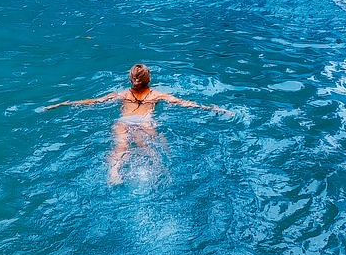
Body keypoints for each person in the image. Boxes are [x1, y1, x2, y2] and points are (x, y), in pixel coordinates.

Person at [43, 63, 232, 184]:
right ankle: (157, 175)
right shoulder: (157, 95)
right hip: (145, 123)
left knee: (120, 147)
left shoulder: (123, 94)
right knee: (152, 149)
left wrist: (64, 103)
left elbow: (94, 102)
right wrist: (214, 109)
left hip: (123, 122)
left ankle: (114, 172)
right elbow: (187, 104)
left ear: (131, 79)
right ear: (148, 79)